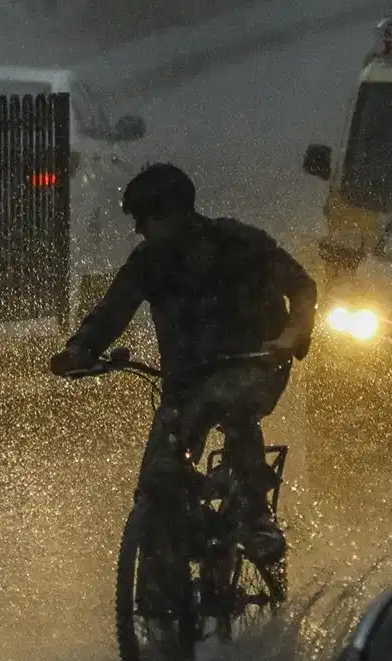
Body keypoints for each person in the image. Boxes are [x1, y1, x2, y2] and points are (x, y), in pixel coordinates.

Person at [49, 163, 317, 563]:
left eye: (144, 218)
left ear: (174, 212)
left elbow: (302, 288)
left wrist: (290, 337)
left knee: (228, 401)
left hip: (256, 365)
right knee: (161, 464)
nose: (139, 229)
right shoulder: (148, 261)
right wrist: (80, 351)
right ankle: (162, 572)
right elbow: (112, 312)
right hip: (187, 380)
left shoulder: (240, 244)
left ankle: (258, 519)